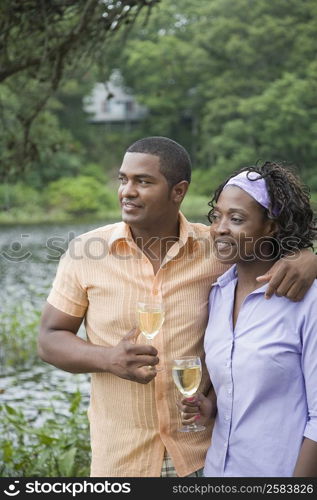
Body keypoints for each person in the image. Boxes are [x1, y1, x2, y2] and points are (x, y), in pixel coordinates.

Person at [38, 138, 317, 477]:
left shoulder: (215, 250)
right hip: (123, 462)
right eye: (123, 179)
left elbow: (264, 248)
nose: (127, 191)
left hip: (201, 459)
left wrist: (309, 258)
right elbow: (49, 338)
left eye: (143, 181)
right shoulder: (86, 252)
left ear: (178, 191)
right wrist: (108, 359)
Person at [180, 161, 317, 477]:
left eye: (237, 218)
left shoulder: (306, 300)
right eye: (217, 216)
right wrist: (210, 407)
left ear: (271, 226)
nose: (221, 228)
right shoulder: (218, 294)